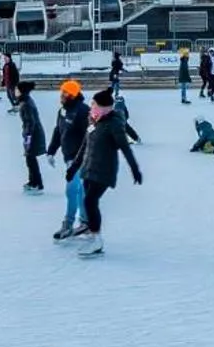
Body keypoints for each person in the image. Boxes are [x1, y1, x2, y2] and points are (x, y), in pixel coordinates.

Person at [68, 88, 142, 257]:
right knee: (90, 202)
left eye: (94, 103)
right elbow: (84, 145)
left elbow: (124, 147)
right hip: (89, 167)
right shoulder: (93, 121)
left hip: (104, 169)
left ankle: (96, 240)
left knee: (90, 201)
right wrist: (74, 166)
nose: (91, 106)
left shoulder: (113, 124)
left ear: (103, 107)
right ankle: (93, 232)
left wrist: (134, 169)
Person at [47, 80, 90, 238]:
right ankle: (85, 222)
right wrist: (51, 151)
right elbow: (58, 131)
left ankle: (69, 224)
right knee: (79, 191)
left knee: (72, 190)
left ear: (73, 95)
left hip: (81, 159)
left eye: (65, 93)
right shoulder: (63, 111)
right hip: (69, 158)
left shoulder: (83, 111)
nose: (62, 95)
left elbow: (90, 136)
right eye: (61, 92)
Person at [18, 80, 47, 193]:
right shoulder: (25, 101)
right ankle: (34, 181)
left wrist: (28, 137)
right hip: (32, 133)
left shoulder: (27, 104)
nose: (15, 91)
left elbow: (30, 122)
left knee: (30, 158)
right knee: (30, 158)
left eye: (17, 89)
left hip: (33, 135)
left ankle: (36, 183)